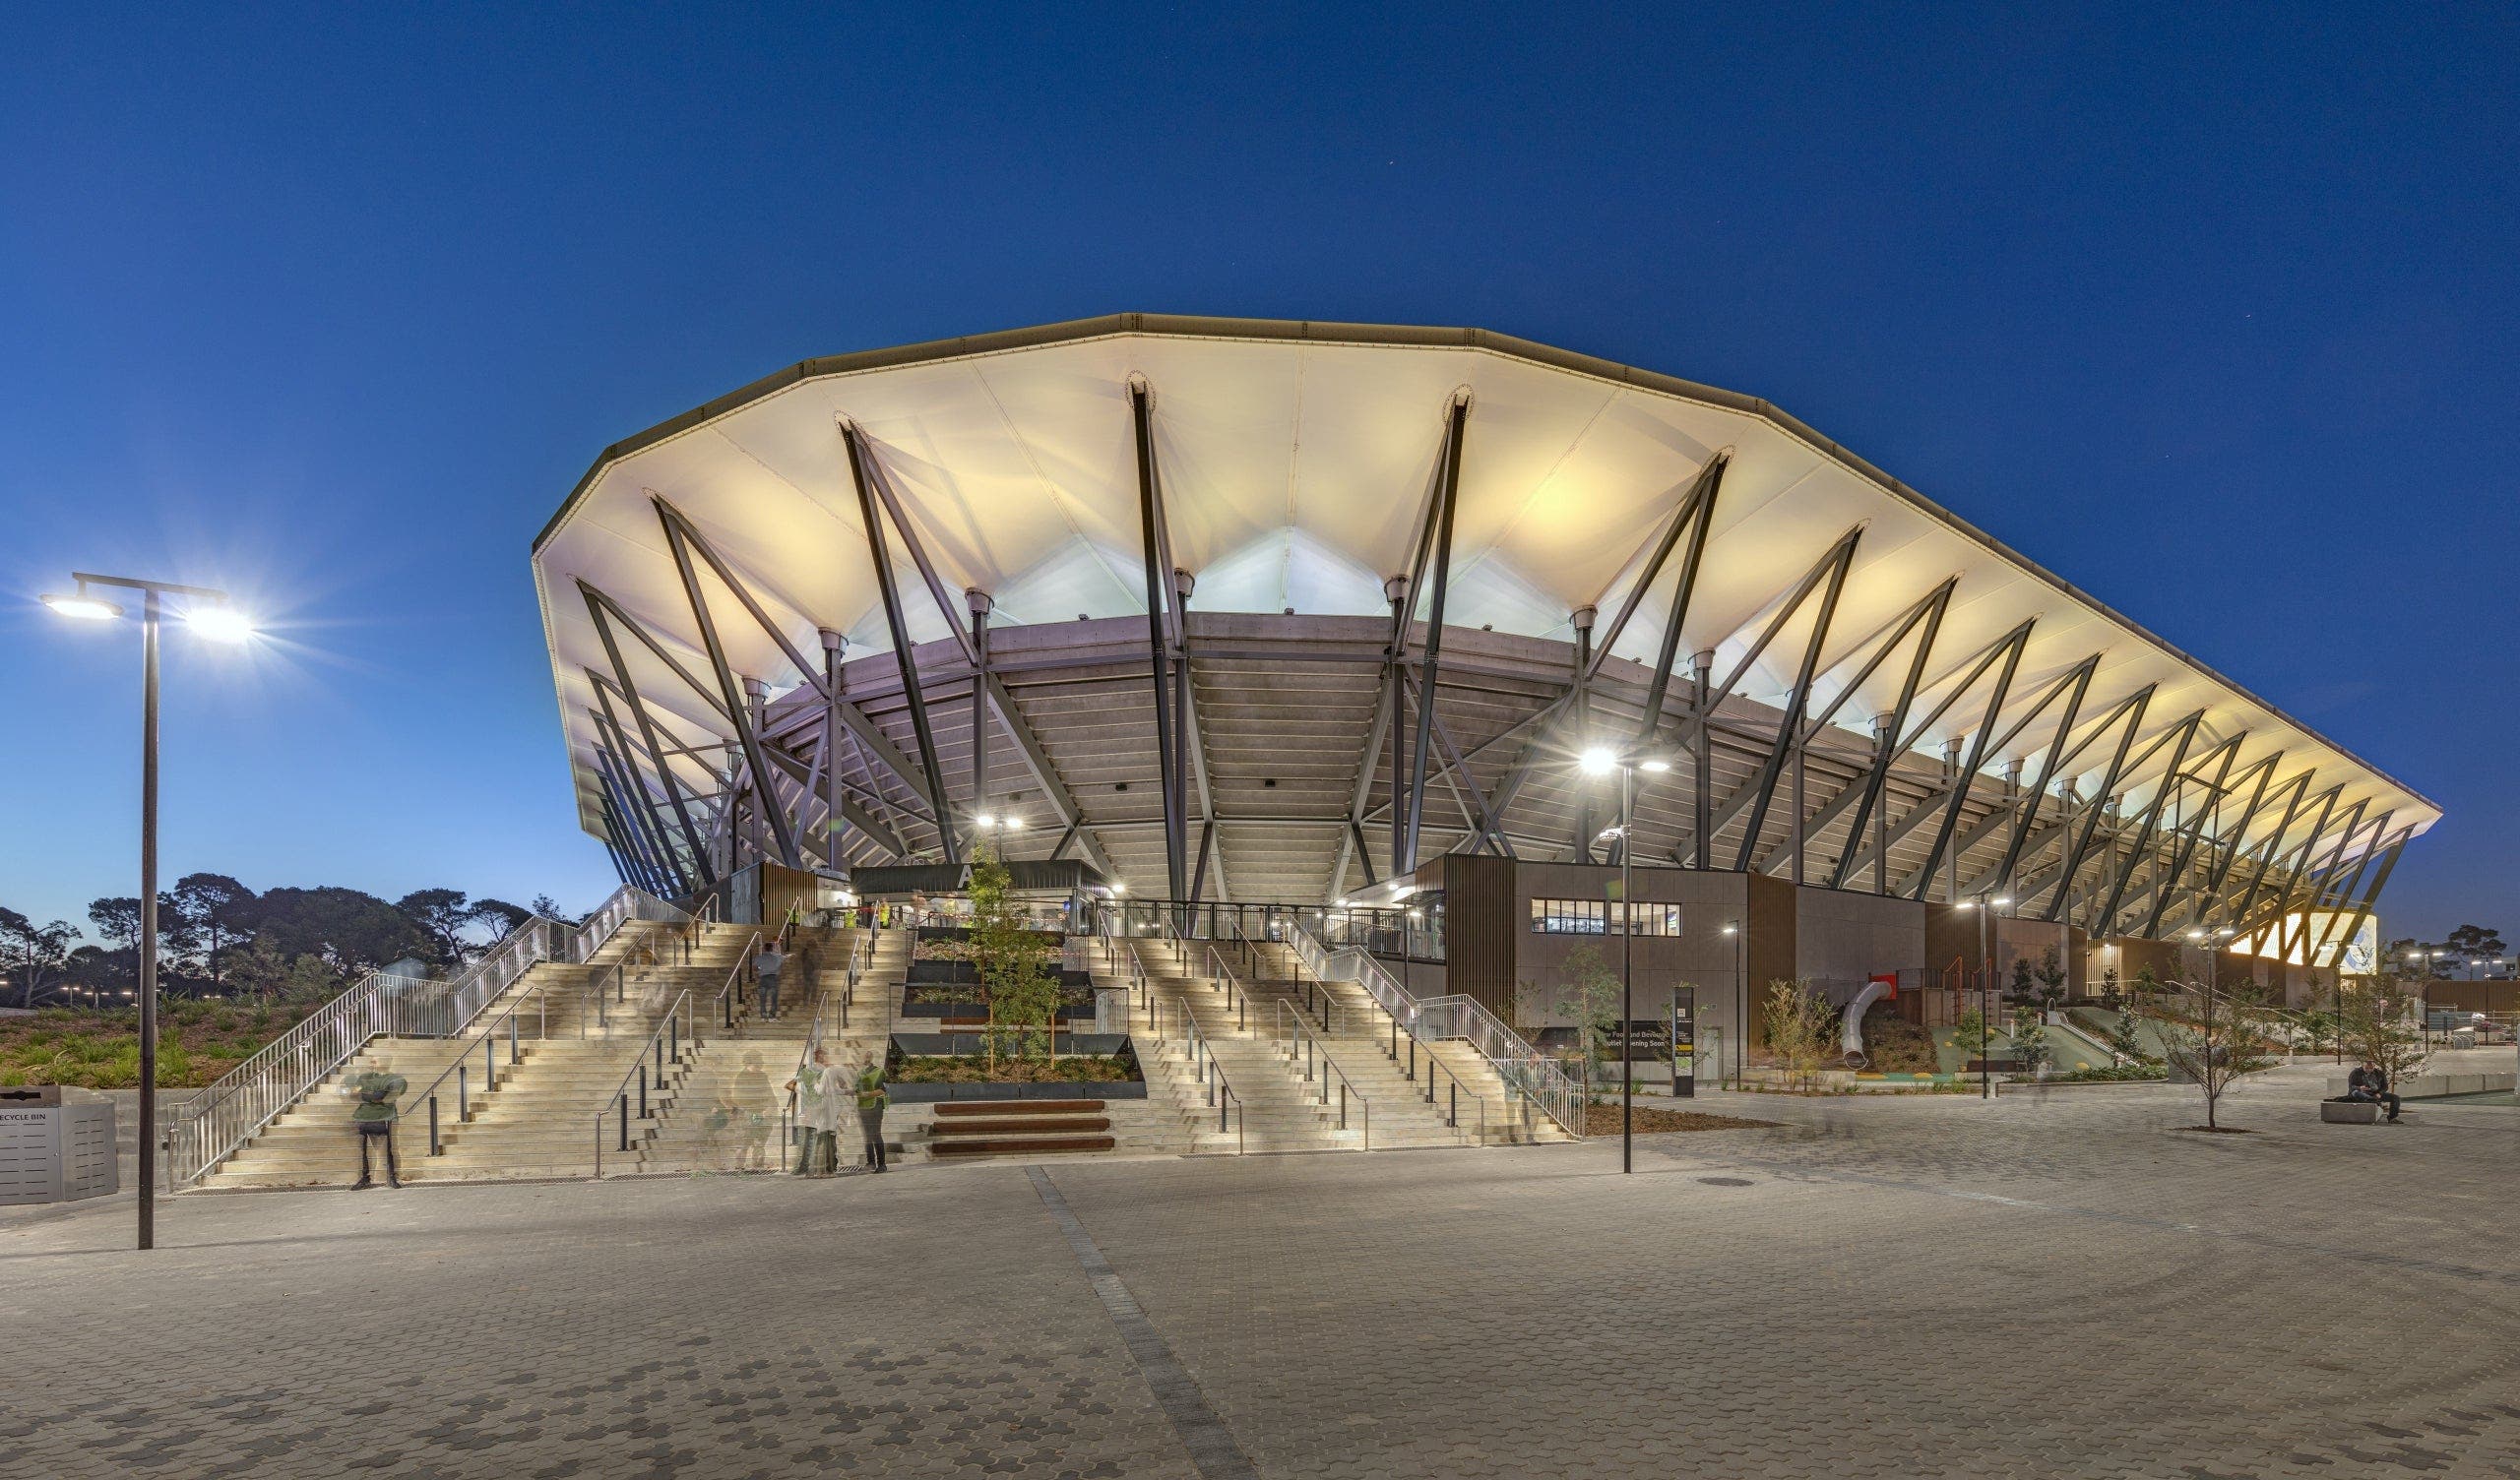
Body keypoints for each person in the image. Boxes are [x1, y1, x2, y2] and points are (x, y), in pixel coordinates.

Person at [786, 1046, 848, 1176]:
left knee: (815, 1139)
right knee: (824, 1139)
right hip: (823, 1111)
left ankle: (812, 1166)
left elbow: (789, 1085)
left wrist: (805, 1093)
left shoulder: (812, 1071)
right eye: (823, 1055)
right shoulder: (821, 1071)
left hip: (817, 1110)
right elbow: (842, 1085)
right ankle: (827, 1166)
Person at [346, 1067, 407, 1188]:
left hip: (382, 1117)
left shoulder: (390, 1080)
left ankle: (391, 1177)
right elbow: (354, 1094)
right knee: (363, 1151)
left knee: (386, 1150)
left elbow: (379, 1097)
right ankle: (365, 1178)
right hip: (364, 1117)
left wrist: (365, 1095)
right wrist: (369, 1095)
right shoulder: (364, 1079)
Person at [854, 1059, 890, 1173]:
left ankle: (882, 1164)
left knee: (875, 1134)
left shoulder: (880, 1072)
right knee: (867, 1136)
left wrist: (868, 1094)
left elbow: (883, 1091)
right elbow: (856, 1090)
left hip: (876, 1108)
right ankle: (871, 1163)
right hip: (863, 1108)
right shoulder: (860, 1073)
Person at [754, 940, 786, 1020]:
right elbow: (783, 961)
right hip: (773, 978)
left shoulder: (759, 957)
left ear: (764, 948)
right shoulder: (777, 957)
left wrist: (759, 972)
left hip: (763, 978)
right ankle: (772, 1016)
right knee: (774, 998)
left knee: (762, 998)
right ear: (772, 948)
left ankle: (763, 1015)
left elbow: (755, 968)